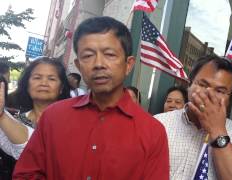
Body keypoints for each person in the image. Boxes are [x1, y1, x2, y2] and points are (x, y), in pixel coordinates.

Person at [13, 16, 169, 179]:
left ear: (128, 65)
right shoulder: (53, 116)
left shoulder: (152, 132)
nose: (98, 64)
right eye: (88, 55)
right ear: (79, 65)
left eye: (109, 54)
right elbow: (26, 173)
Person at [154, 54, 232, 179]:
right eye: (203, 85)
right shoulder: (159, 124)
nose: (209, 94)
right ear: (189, 84)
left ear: (230, 99)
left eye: (220, 91)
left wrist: (217, 131)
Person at [0, 56, 71, 160]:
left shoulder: (72, 122)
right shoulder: (15, 120)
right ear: (27, 86)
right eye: (37, 78)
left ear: (61, 88)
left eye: (51, 79)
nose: (44, 83)